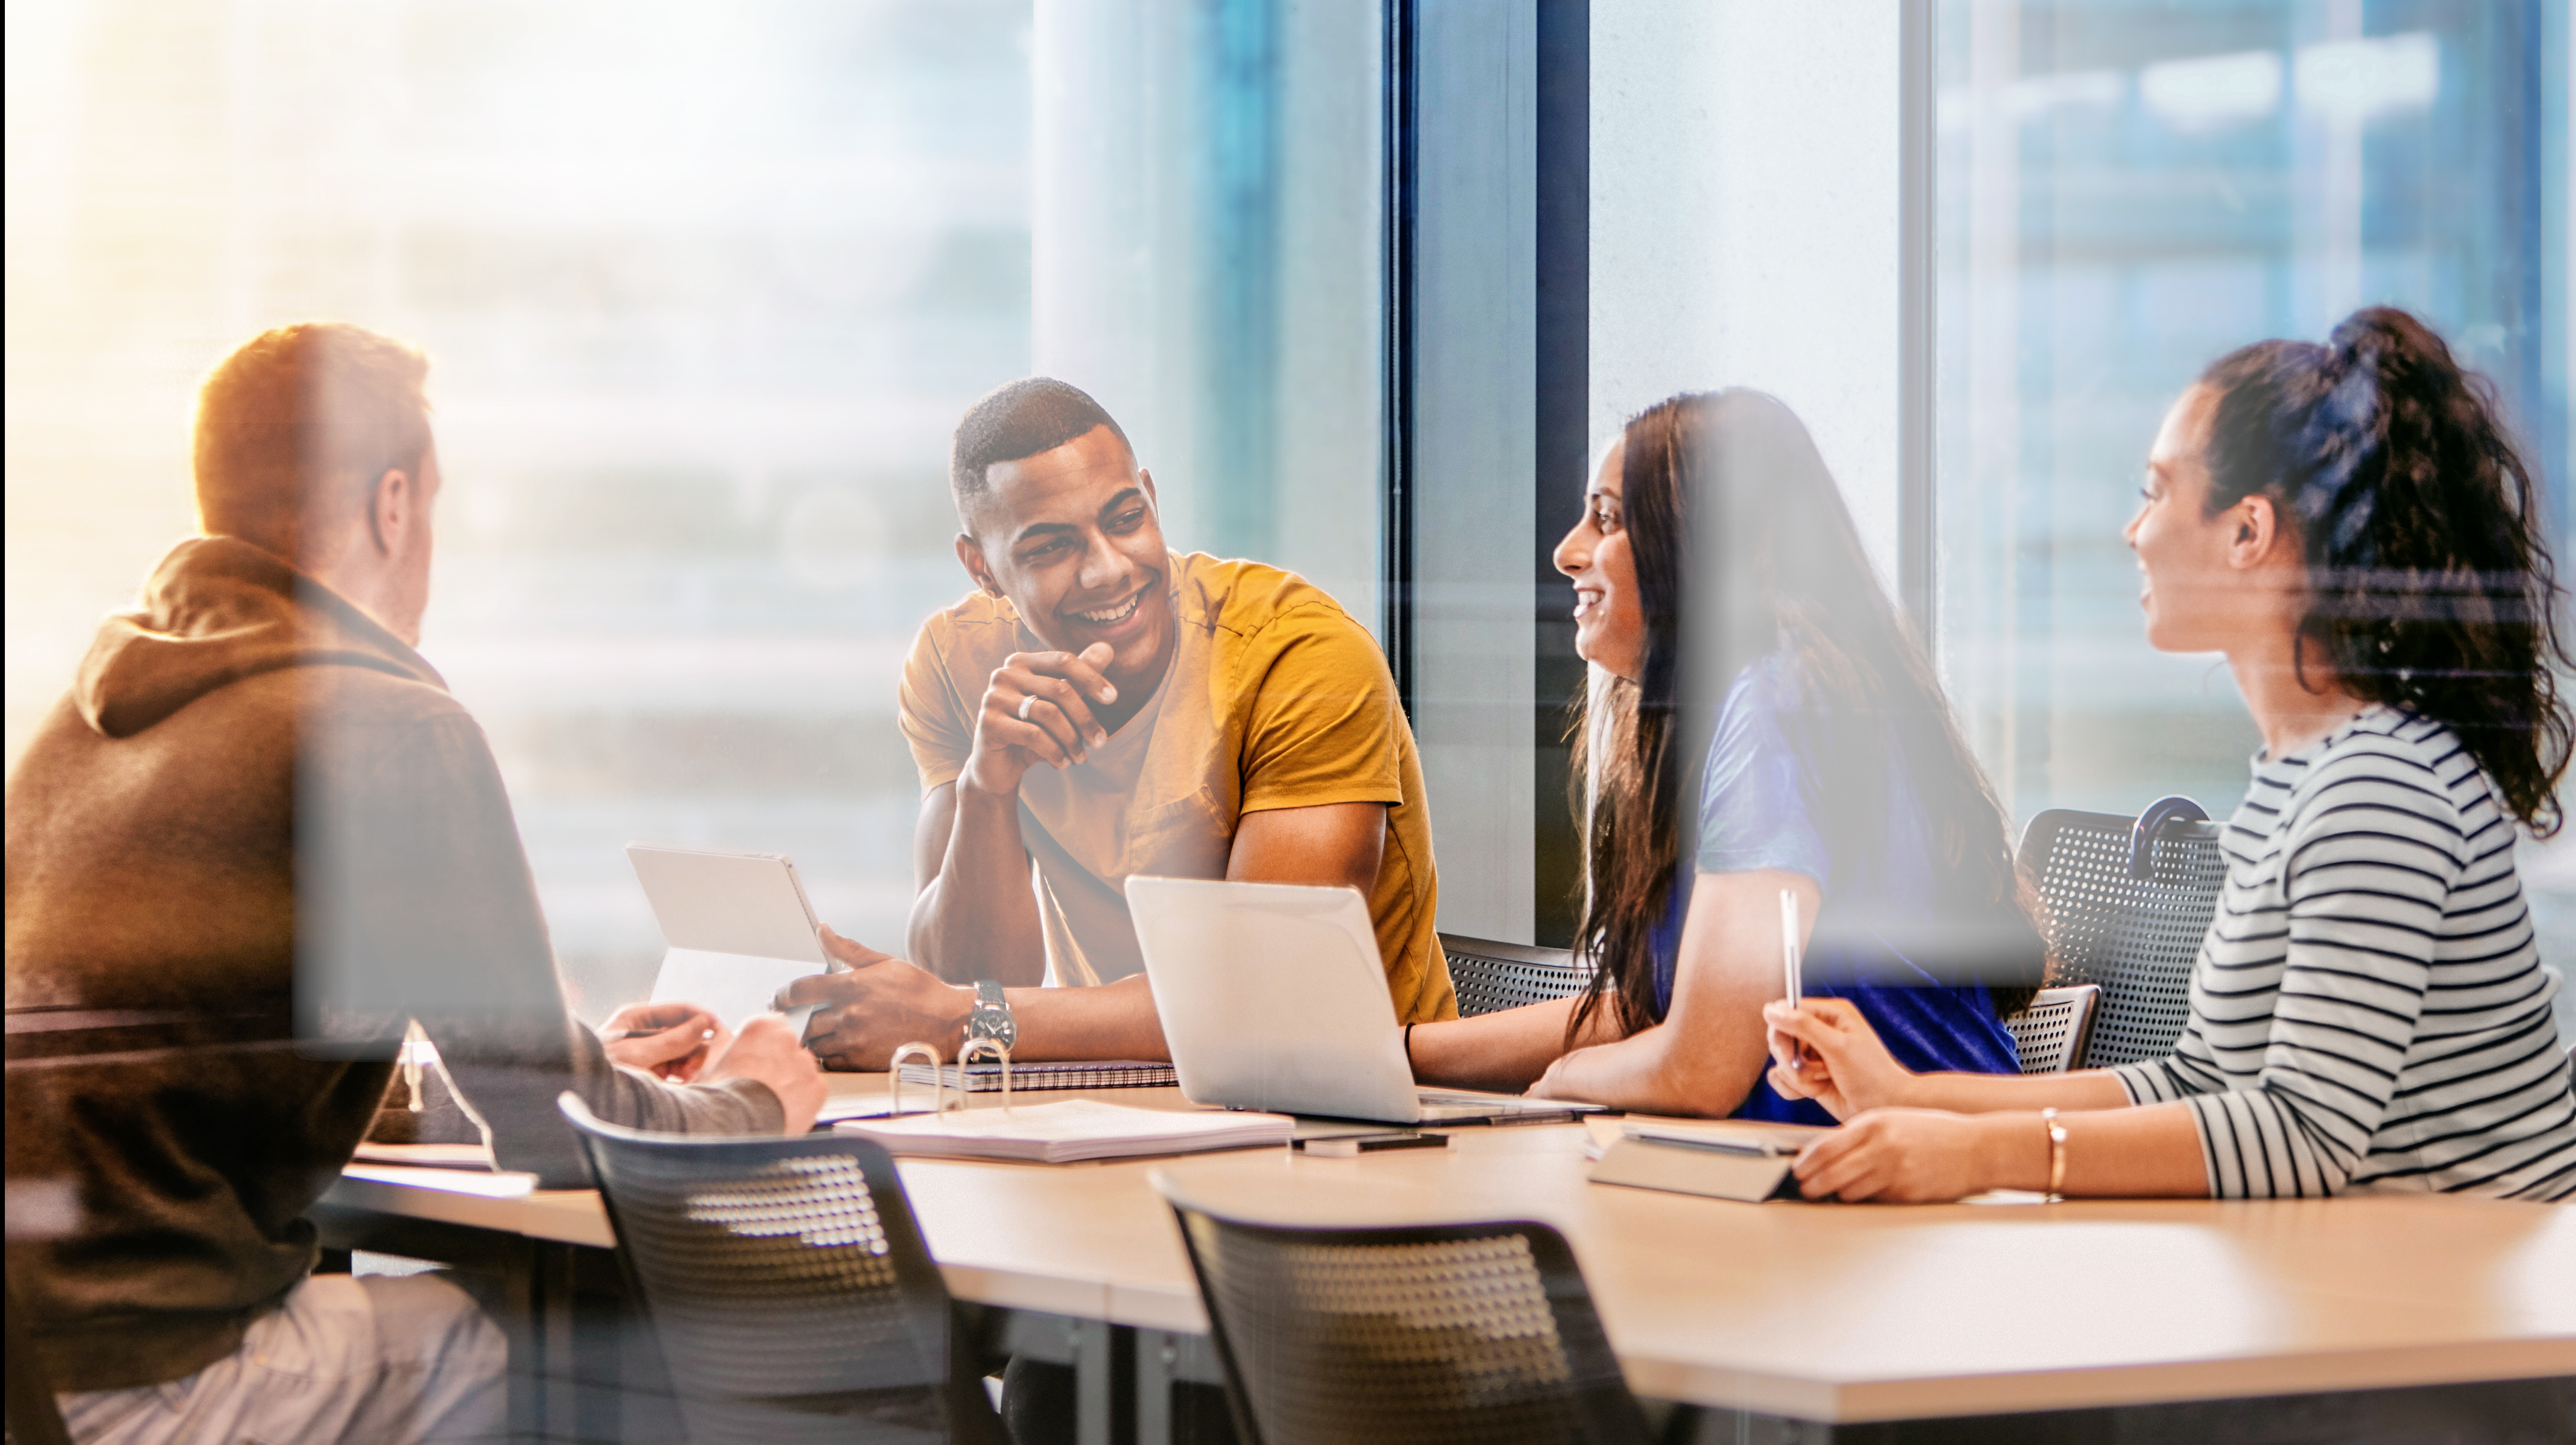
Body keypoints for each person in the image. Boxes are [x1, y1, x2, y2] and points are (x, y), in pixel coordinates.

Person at [5, 324, 826, 1445]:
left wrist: (548, 1063)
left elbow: (183, 1075)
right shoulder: (386, 726)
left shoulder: (82, 725)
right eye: (432, 508)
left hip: (37, 1364)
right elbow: (554, 1131)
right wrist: (751, 1100)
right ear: (393, 503)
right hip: (152, 1376)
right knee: (589, 1332)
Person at [1766, 308, 2576, 1202]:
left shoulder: (2377, 787)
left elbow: (2301, 1132)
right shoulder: (2299, 773)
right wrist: (1921, 1097)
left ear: (2247, 532)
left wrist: (1981, 1155)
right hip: (2379, 1271)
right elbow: (2201, 1078)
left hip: (2476, 1314)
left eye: (2156, 491)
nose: (2134, 530)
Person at [788, 377, 1454, 1069]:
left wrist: (964, 1021)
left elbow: (1264, 992)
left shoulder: (1297, 652)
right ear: (981, 566)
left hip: (1348, 1112)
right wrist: (988, 789)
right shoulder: (958, 661)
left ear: (1152, 497)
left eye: (1125, 518)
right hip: (1118, 1098)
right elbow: (969, 971)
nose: (1107, 569)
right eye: (1050, 547)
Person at [1408, 390, 2042, 1117]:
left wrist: (1566, 1079)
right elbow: (1668, 1012)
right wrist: (1402, 1054)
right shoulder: (1738, 704)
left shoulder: (1781, 700)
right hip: (1814, 1182)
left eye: (1608, 518)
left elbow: (1699, 1066)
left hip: (1915, 1198)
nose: (1567, 550)